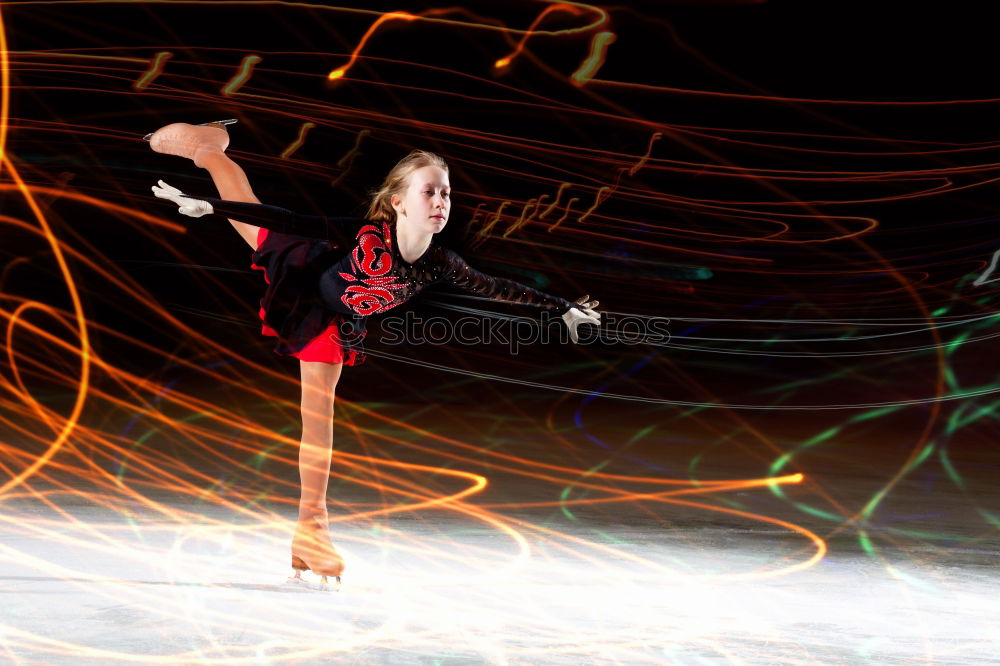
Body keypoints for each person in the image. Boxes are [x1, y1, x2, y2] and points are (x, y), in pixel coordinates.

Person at [144, 120, 601, 588]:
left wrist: (563, 308)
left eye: (445, 193)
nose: (440, 202)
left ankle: (207, 147)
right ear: (399, 202)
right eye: (429, 192)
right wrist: (212, 208)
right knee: (254, 218)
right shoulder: (368, 235)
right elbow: (294, 221)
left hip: (338, 317)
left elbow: (497, 287)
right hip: (305, 281)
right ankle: (313, 530)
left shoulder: (441, 262)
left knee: (318, 416)